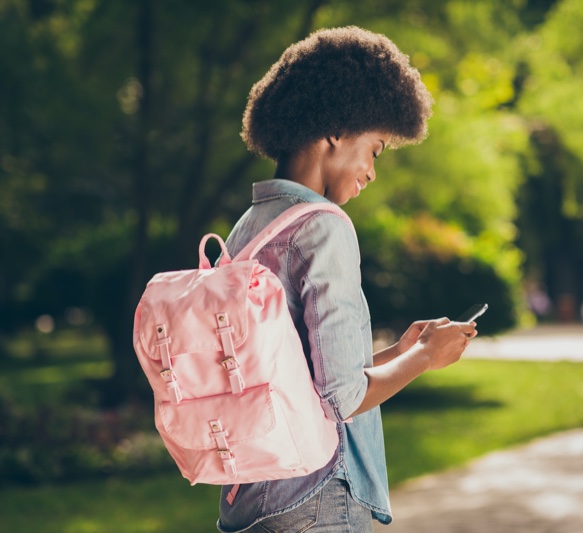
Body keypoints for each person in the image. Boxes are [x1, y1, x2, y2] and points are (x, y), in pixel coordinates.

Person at [217, 27, 478, 533]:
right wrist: (426, 358)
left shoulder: (249, 227)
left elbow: (303, 381)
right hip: (316, 503)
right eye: (376, 149)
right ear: (336, 129)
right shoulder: (323, 226)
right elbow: (341, 399)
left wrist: (399, 351)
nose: (372, 171)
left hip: (250, 501)